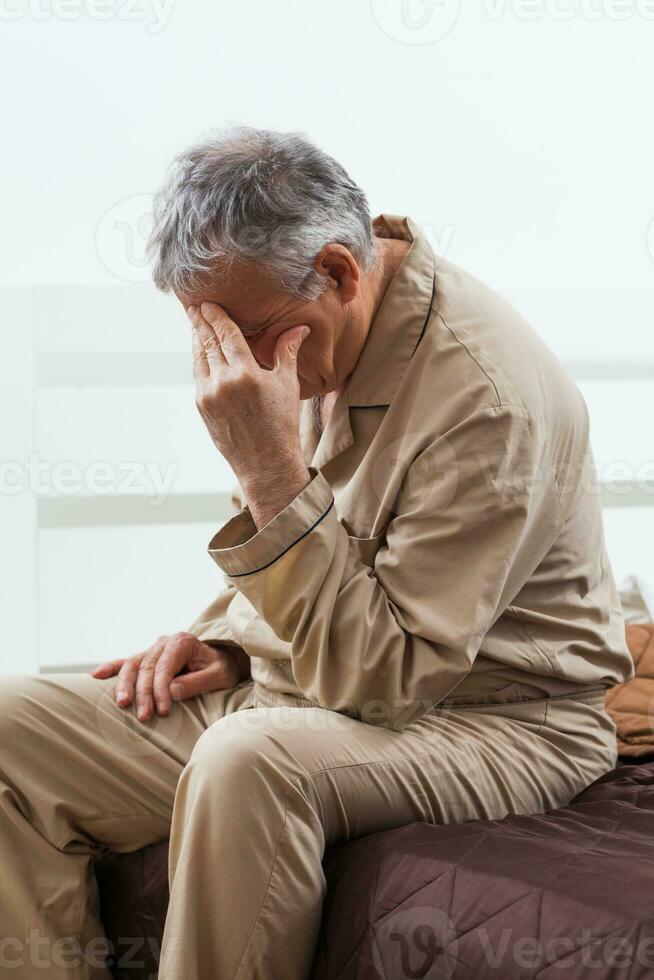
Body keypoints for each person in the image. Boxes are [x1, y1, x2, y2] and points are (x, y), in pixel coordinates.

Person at [0, 127, 633, 980]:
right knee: (9, 731)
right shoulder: (308, 327)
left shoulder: (487, 401)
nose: (236, 371)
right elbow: (321, 558)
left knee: (247, 762)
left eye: (251, 335)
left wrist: (264, 464)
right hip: (308, 679)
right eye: (210, 337)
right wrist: (226, 639)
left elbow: (386, 680)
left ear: (338, 271)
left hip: (497, 719)